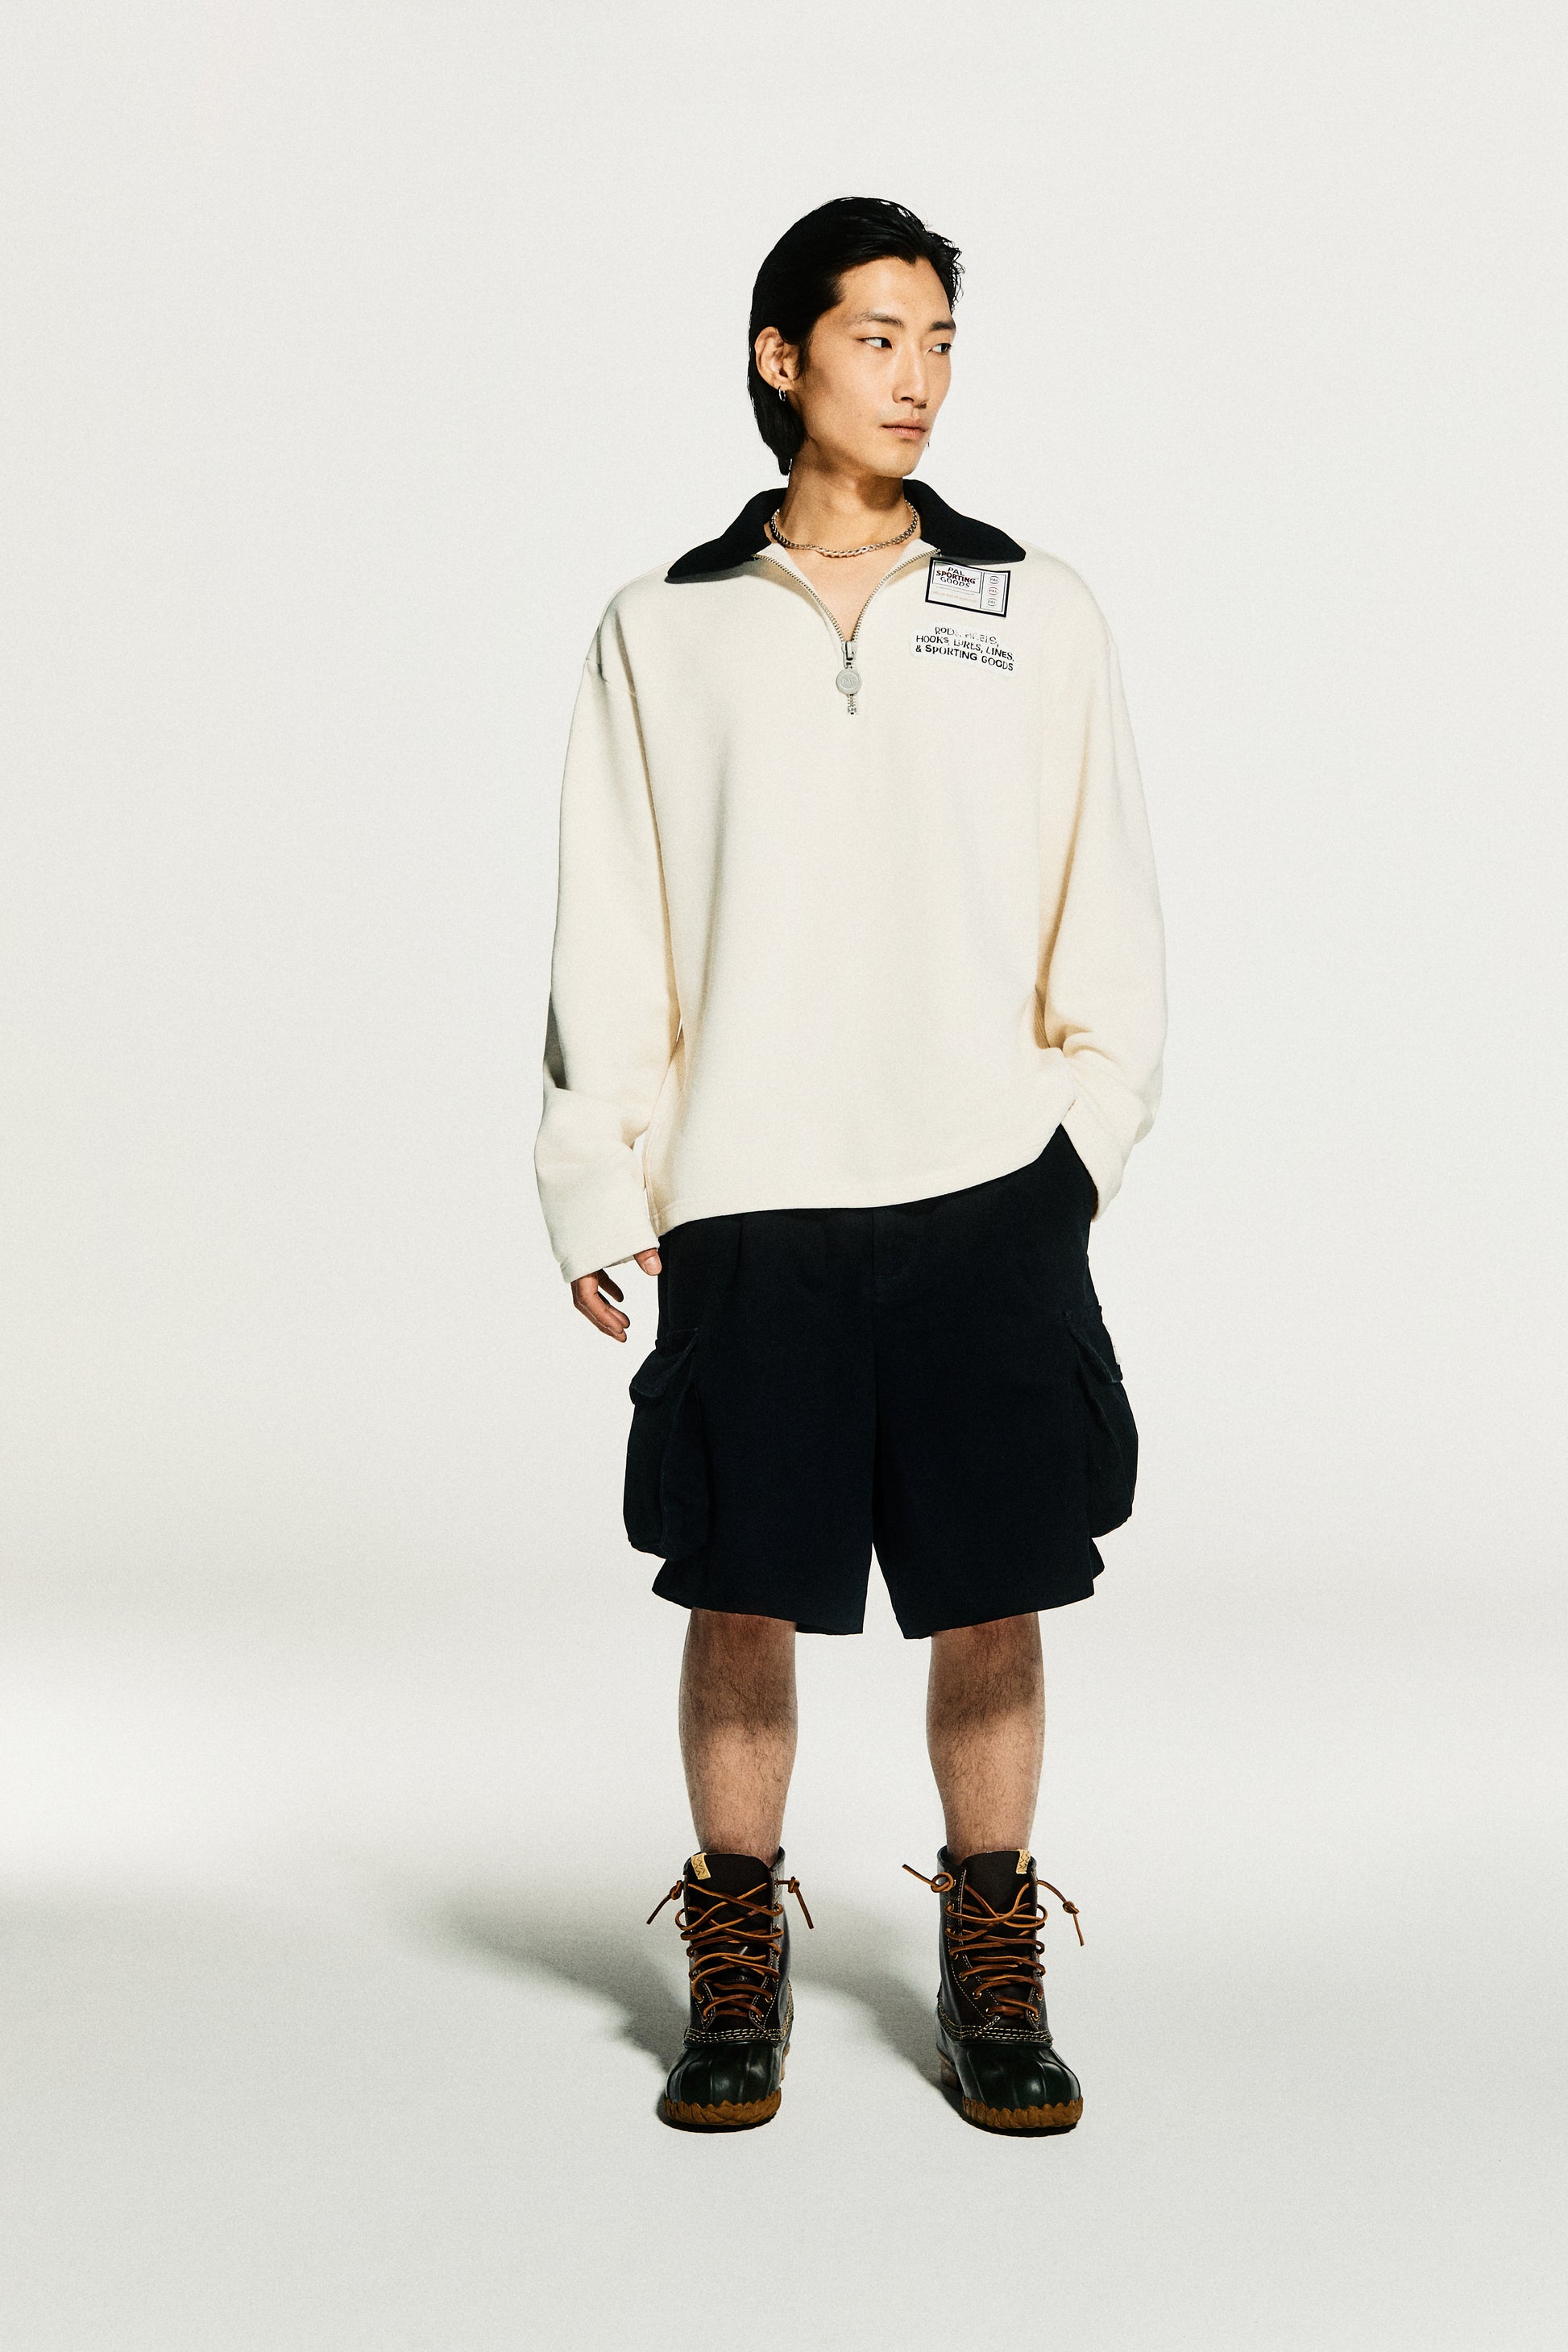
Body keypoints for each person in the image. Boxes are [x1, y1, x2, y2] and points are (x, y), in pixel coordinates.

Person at [534, 197, 1167, 2136]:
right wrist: (594, 1171)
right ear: (780, 355)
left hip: (988, 1183)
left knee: (996, 1589)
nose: (919, 375)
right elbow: (613, 929)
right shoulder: (662, 628)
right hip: (749, 1189)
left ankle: (992, 1956)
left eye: (941, 339)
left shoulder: (1034, 607)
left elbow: (1107, 907)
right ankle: (738, 1961)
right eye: (880, 335)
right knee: (740, 1589)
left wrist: (1074, 1147)